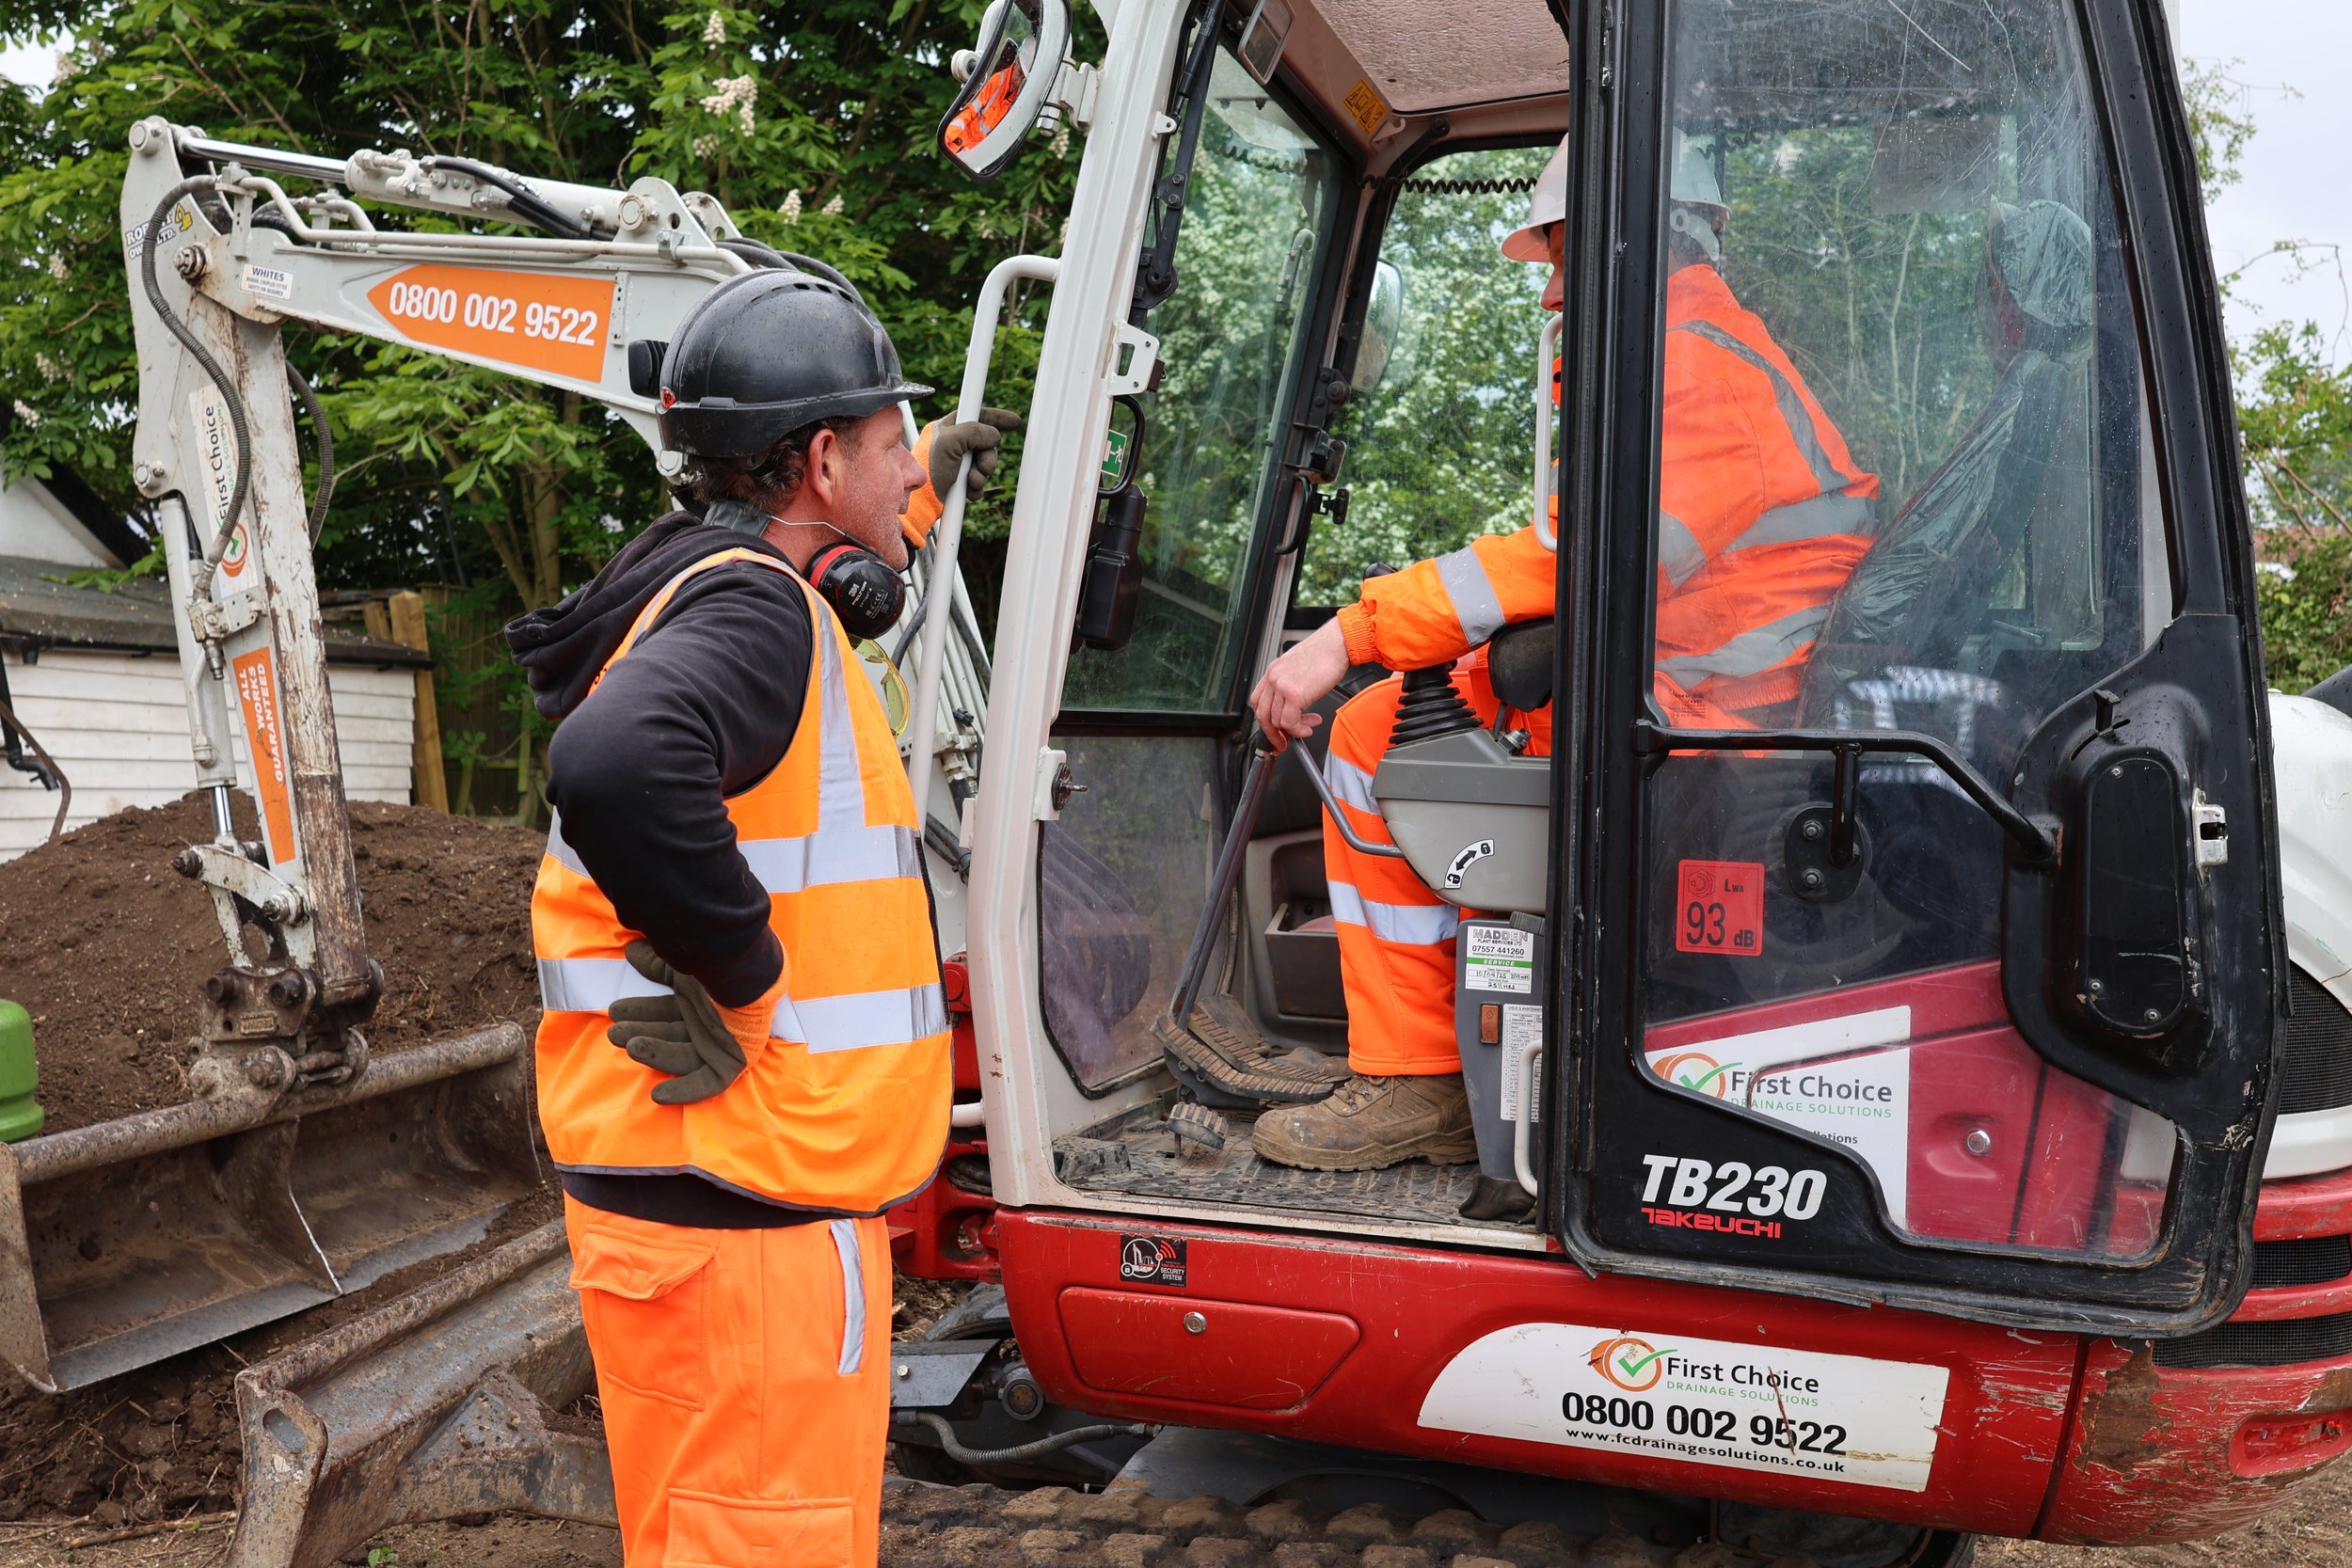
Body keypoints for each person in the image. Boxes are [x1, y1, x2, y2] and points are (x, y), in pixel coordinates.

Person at [506, 266, 1016, 1568]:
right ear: (824, 456)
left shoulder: (711, 584)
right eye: (897, 444)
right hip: (744, 1216)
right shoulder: (754, 606)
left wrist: (921, 495)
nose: (913, 474)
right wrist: (741, 971)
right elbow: (619, 761)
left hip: (711, 1203)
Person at [1246, 132, 1880, 1172]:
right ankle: (1457, 1049)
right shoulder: (1697, 357)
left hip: (1712, 722)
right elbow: (1600, 562)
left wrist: (1345, 635)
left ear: (1625, 245)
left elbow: (1579, 560)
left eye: (1558, 262)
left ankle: (1415, 1081)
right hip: (1702, 689)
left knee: (1367, 734)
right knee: (1415, 707)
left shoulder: (1698, 373)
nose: (1547, 300)